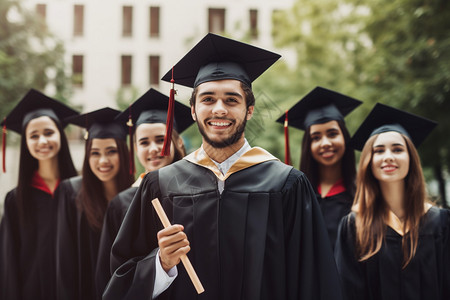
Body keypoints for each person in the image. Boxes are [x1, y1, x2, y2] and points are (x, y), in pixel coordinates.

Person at [103, 33, 342, 300]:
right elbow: (119, 280)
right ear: (193, 110)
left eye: (231, 100)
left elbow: (314, 280)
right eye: (207, 99)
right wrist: (161, 263)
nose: (219, 109)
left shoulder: (286, 184)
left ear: (249, 109)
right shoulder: (160, 185)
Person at [334, 103, 450, 300]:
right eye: (378, 151)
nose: (388, 157)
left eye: (397, 149)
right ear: (368, 162)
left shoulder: (440, 222)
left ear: (411, 158)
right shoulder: (354, 226)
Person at [94, 88, 193, 298]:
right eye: (144, 142)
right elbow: (110, 275)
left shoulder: (197, 192)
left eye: (160, 139)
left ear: (178, 142)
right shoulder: (122, 203)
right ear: (135, 148)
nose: (153, 148)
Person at [0, 89, 78, 300]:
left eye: (48, 132)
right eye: (34, 136)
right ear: (26, 143)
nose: (42, 141)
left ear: (60, 134)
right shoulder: (16, 199)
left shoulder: (80, 191)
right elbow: (9, 261)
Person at [55, 107, 134, 300]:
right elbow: (65, 264)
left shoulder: (135, 197)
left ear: (124, 153)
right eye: (95, 153)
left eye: (111, 151)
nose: (103, 160)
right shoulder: (72, 195)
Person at [277, 86, 361, 248]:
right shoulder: (297, 195)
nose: (325, 143)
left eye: (332, 134)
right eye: (316, 137)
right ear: (308, 145)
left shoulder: (363, 194)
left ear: (344, 136)